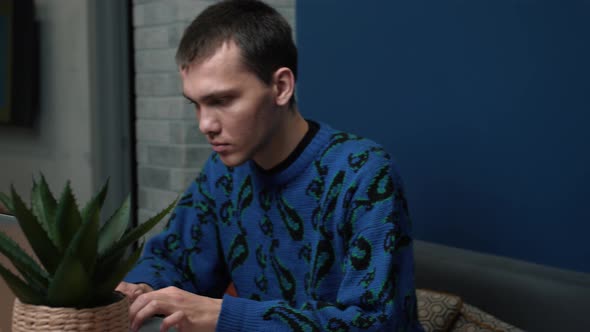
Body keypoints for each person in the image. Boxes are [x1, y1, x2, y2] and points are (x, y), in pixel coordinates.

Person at [117, 1, 424, 331]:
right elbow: (175, 259)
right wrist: (144, 288)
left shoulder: (363, 173)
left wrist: (227, 318)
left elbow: (375, 323)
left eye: (221, 100)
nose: (205, 124)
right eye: (196, 104)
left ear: (281, 87)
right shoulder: (223, 172)